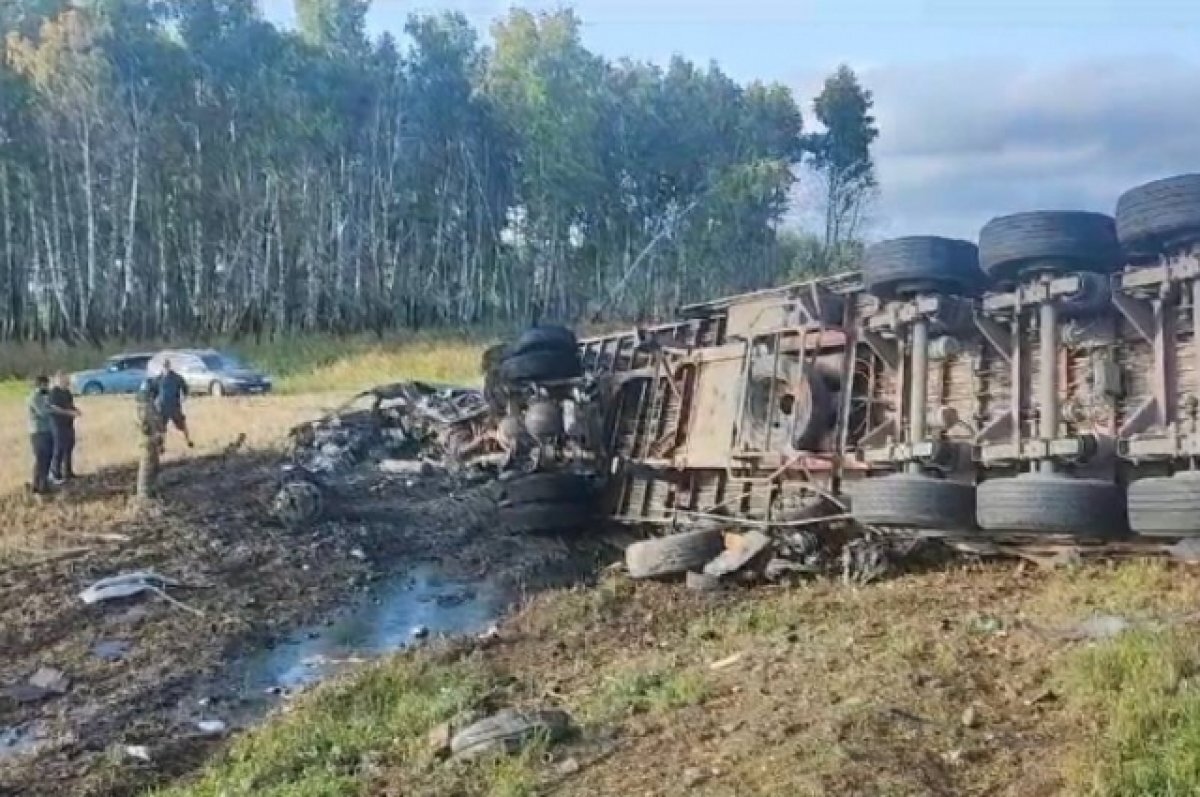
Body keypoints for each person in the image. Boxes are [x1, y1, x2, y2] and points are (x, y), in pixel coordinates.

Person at [154, 358, 194, 449]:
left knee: (182, 425)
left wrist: (184, 397)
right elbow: (154, 392)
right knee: (161, 428)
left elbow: (185, 388)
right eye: (164, 365)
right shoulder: (158, 379)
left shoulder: (176, 378)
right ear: (161, 367)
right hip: (162, 407)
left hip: (174, 406)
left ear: (169, 365)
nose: (166, 367)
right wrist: (154, 403)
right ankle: (161, 446)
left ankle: (188, 441)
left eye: (167, 365)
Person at [48, 371, 81, 482]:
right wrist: (69, 413)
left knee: (69, 447)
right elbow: (54, 408)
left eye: (67, 379)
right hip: (58, 425)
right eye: (64, 379)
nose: (67, 382)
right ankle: (55, 473)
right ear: (58, 380)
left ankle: (68, 471)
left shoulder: (67, 392)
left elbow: (71, 405)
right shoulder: (54, 393)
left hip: (69, 424)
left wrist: (76, 410)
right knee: (59, 449)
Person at [27, 375, 54, 494]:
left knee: (47, 458)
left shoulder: (44, 397)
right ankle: (37, 485)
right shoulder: (35, 397)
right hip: (38, 432)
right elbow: (43, 412)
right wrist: (54, 409)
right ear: (39, 385)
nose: (47, 387)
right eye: (45, 384)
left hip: (47, 430)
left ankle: (43, 483)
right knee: (41, 459)